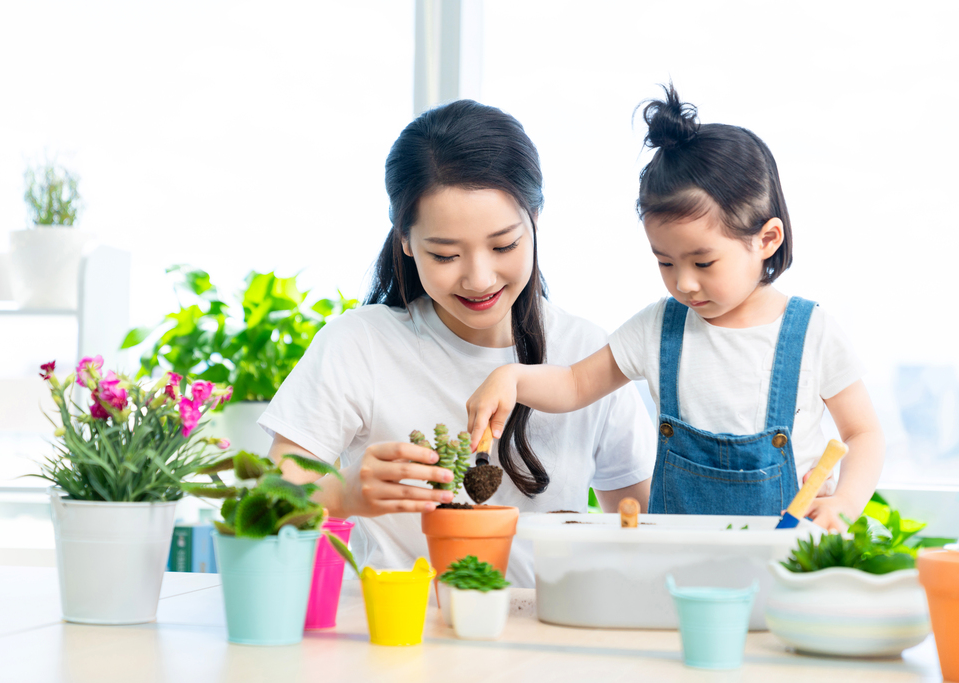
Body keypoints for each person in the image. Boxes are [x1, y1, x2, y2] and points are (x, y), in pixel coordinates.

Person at [258, 100, 655, 586]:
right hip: (398, 639)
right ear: (404, 239)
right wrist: (342, 494)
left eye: (504, 246)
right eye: (445, 254)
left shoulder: (586, 355)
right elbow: (266, 497)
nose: (479, 277)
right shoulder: (358, 344)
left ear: (536, 218)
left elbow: (646, 526)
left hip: (542, 640)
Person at [466, 85, 884, 532]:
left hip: (780, 564)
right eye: (664, 261)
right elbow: (572, 384)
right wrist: (511, 377)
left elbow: (863, 434)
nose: (683, 282)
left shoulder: (811, 333)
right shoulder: (659, 328)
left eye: (703, 262)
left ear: (767, 240)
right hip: (675, 567)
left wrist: (844, 500)